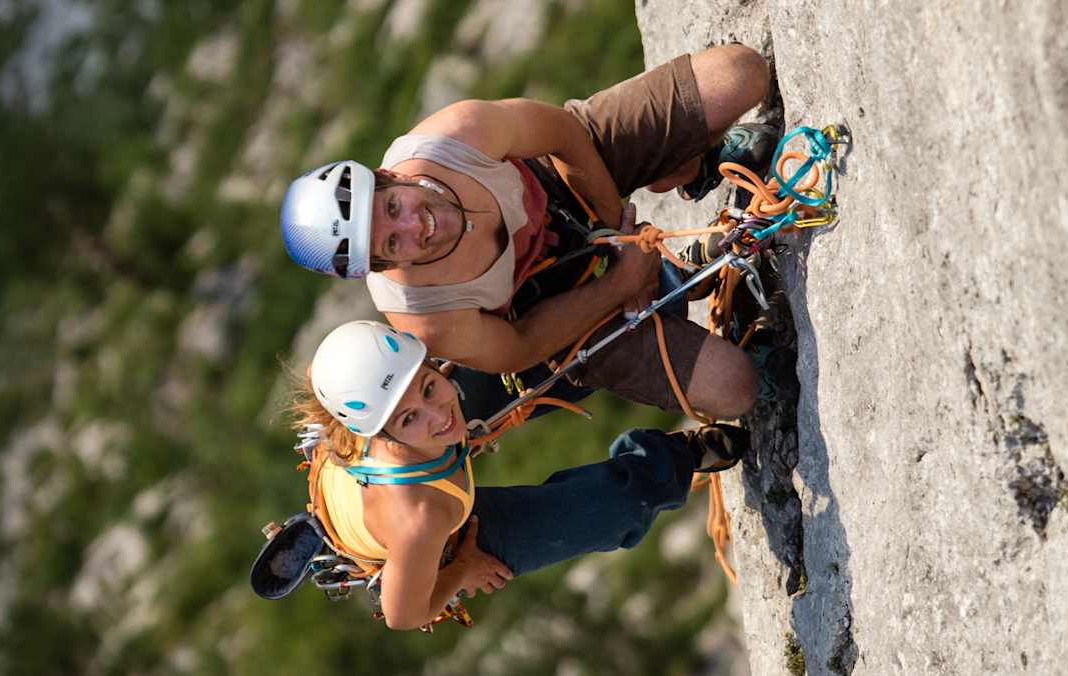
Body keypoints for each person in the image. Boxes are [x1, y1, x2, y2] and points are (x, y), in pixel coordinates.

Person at [280, 44, 778, 422]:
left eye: (392, 205)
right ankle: (680, 244)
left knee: (740, 73)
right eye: (392, 243)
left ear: (389, 176)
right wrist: (619, 285)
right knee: (735, 388)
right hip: (556, 309)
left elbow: (562, 133)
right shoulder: (425, 316)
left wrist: (615, 232)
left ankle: (689, 167)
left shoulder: (455, 136)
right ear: (386, 267)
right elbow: (518, 345)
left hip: (562, 174)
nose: (415, 225)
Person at [284, 321, 747, 630]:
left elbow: (356, 382)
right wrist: (461, 569)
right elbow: (402, 614)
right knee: (612, 510)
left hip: (404, 471)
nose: (439, 413)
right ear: (384, 432)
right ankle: (677, 458)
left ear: (430, 366)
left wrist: (420, 407)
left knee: (546, 351)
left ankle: (656, 343)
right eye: (408, 418)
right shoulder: (420, 518)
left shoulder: (366, 385)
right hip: (447, 535)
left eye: (430, 385)